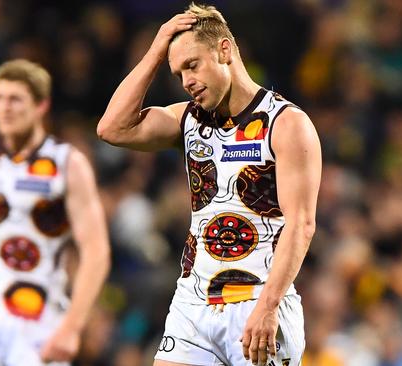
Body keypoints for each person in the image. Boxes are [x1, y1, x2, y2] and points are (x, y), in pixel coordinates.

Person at [97, 3, 321, 365]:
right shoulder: (188, 120)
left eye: (192, 65)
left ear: (225, 50)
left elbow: (302, 224)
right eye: (178, 73)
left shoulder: (286, 123)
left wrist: (268, 307)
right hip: (193, 302)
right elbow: (112, 128)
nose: (186, 81)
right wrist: (157, 50)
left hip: (257, 300)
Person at [0, 59, 111, 366]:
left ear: (41, 106)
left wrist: (72, 326)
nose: (4, 108)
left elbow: (96, 251)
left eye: (15, 99)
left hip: (40, 317)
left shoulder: (68, 164)